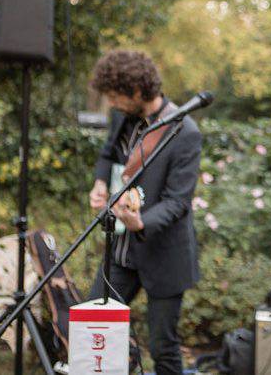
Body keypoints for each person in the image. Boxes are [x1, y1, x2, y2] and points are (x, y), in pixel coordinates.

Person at [88, 50, 201, 375]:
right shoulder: (122, 117)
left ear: (137, 92)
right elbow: (108, 153)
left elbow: (178, 202)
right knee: (96, 329)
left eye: (115, 96)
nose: (111, 103)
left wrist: (141, 221)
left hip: (164, 253)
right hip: (121, 253)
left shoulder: (186, 132)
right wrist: (99, 181)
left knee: (164, 350)